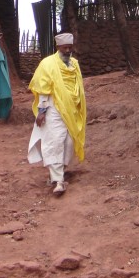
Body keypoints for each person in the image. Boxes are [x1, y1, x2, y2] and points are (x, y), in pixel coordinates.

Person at [27, 32, 86, 196]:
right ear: (58, 47)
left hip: (71, 109)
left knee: (68, 142)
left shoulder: (74, 64)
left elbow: (78, 87)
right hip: (53, 108)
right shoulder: (47, 64)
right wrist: (41, 111)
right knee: (55, 141)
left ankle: (58, 173)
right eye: (64, 48)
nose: (68, 50)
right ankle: (58, 181)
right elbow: (43, 88)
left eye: (70, 47)